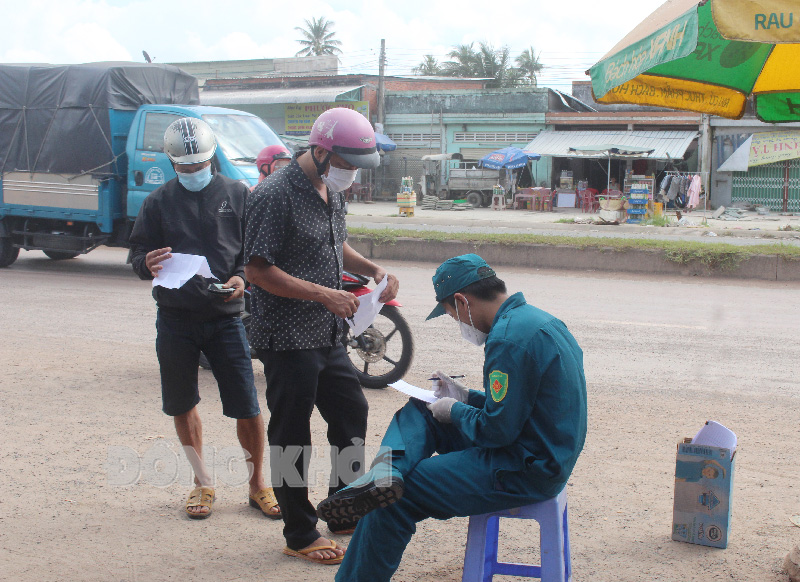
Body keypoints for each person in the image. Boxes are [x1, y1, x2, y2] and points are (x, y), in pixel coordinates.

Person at [317, 253, 588, 582]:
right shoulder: (536, 321)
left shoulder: (506, 341)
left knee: (394, 501)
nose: (457, 322)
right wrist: (464, 397)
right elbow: (521, 404)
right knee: (423, 408)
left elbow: (496, 432)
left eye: (450, 314)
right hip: (536, 447)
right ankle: (386, 474)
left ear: (462, 301)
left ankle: (386, 490)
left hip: (525, 467)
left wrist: (456, 410)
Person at [243, 107, 399, 565]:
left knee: (351, 411)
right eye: (348, 164)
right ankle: (298, 530)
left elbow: (334, 243)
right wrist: (323, 294)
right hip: (287, 335)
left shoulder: (330, 190)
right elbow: (256, 268)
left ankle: (343, 506)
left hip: (328, 332)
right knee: (291, 433)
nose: (353, 174)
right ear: (321, 151)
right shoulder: (274, 195)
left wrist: (372, 269)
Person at [129, 117, 280, 521]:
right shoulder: (157, 202)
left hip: (227, 319)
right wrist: (145, 262)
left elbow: (256, 255)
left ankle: (257, 485)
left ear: (212, 158)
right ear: (172, 162)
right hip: (175, 320)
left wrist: (242, 278)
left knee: (247, 406)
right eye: (185, 167)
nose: (193, 172)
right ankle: (202, 483)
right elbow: (137, 258)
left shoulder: (238, 195)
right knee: (183, 403)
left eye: (199, 166)